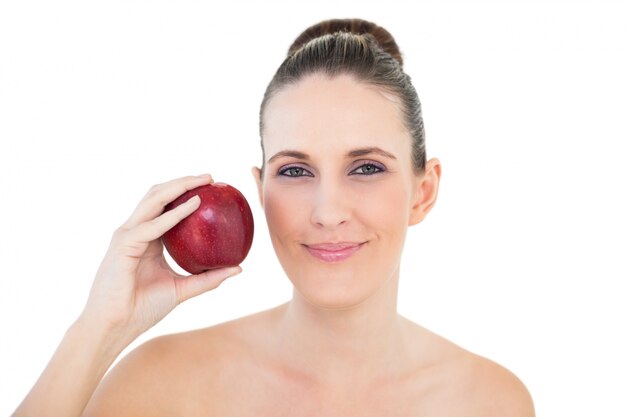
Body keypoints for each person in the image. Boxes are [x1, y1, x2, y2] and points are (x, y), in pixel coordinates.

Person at [13, 18, 535, 416]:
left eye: (367, 167)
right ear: (259, 190)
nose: (328, 212)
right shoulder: (161, 386)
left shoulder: (490, 400)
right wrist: (98, 331)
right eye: (295, 172)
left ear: (423, 192)